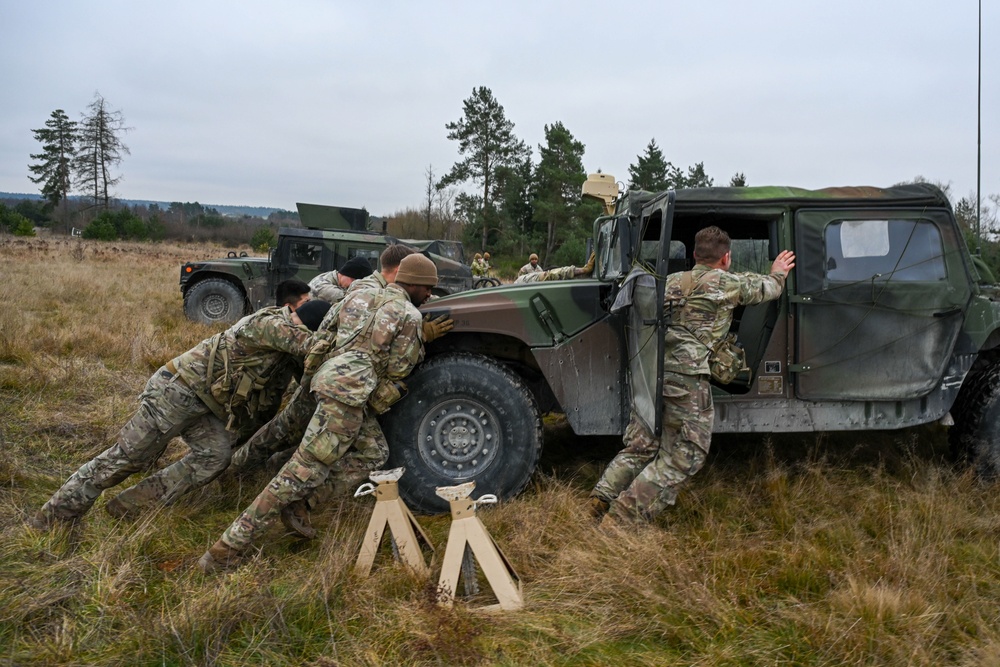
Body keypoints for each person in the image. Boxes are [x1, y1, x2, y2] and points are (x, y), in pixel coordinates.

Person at [198, 254, 445, 572]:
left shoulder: (359, 293)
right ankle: (225, 549)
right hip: (347, 397)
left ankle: (300, 501)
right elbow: (398, 371)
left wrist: (313, 378)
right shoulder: (409, 316)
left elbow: (325, 333)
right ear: (414, 283)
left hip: (323, 381)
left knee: (373, 452)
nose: (429, 296)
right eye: (428, 289)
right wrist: (419, 343)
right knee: (298, 473)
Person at [28, 298, 332, 530]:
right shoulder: (270, 324)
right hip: (175, 392)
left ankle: (130, 507)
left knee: (214, 458)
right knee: (127, 458)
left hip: (206, 406)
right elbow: (311, 347)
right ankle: (53, 518)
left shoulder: (287, 346)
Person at [589, 226, 796, 525]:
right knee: (684, 456)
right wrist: (777, 271)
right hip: (686, 381)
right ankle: (620, 520)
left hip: (652, 375)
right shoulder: (726, 284)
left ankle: (599, 500)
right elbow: (769, 289)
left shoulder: (669, 282)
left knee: (642, 445)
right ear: (726, 258)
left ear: (695, 255)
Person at [308, 256, 374, 304]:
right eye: (353, 281)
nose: (352, 285)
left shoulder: (334, 277)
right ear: (347, 274)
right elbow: (350, 301)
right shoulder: (323, 286)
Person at [514, 253, 595, 283]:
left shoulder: (539, 268)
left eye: (535, 259)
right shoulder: (524, 269)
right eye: (532, 259)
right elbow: (549, 276)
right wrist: (583, 270)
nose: (534, 261)